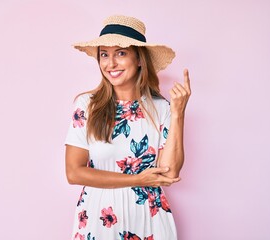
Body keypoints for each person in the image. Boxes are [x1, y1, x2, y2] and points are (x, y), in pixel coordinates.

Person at [65, 15, 191, 240]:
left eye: (120, 53)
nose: (110, 64)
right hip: (99, 220)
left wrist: (178, 113)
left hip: (149, 220)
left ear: (139, 59)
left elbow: (170, 172)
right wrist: (139, 180)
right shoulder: (87, 106)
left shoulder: (162, 109)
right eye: (104, 54)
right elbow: (74, 173)